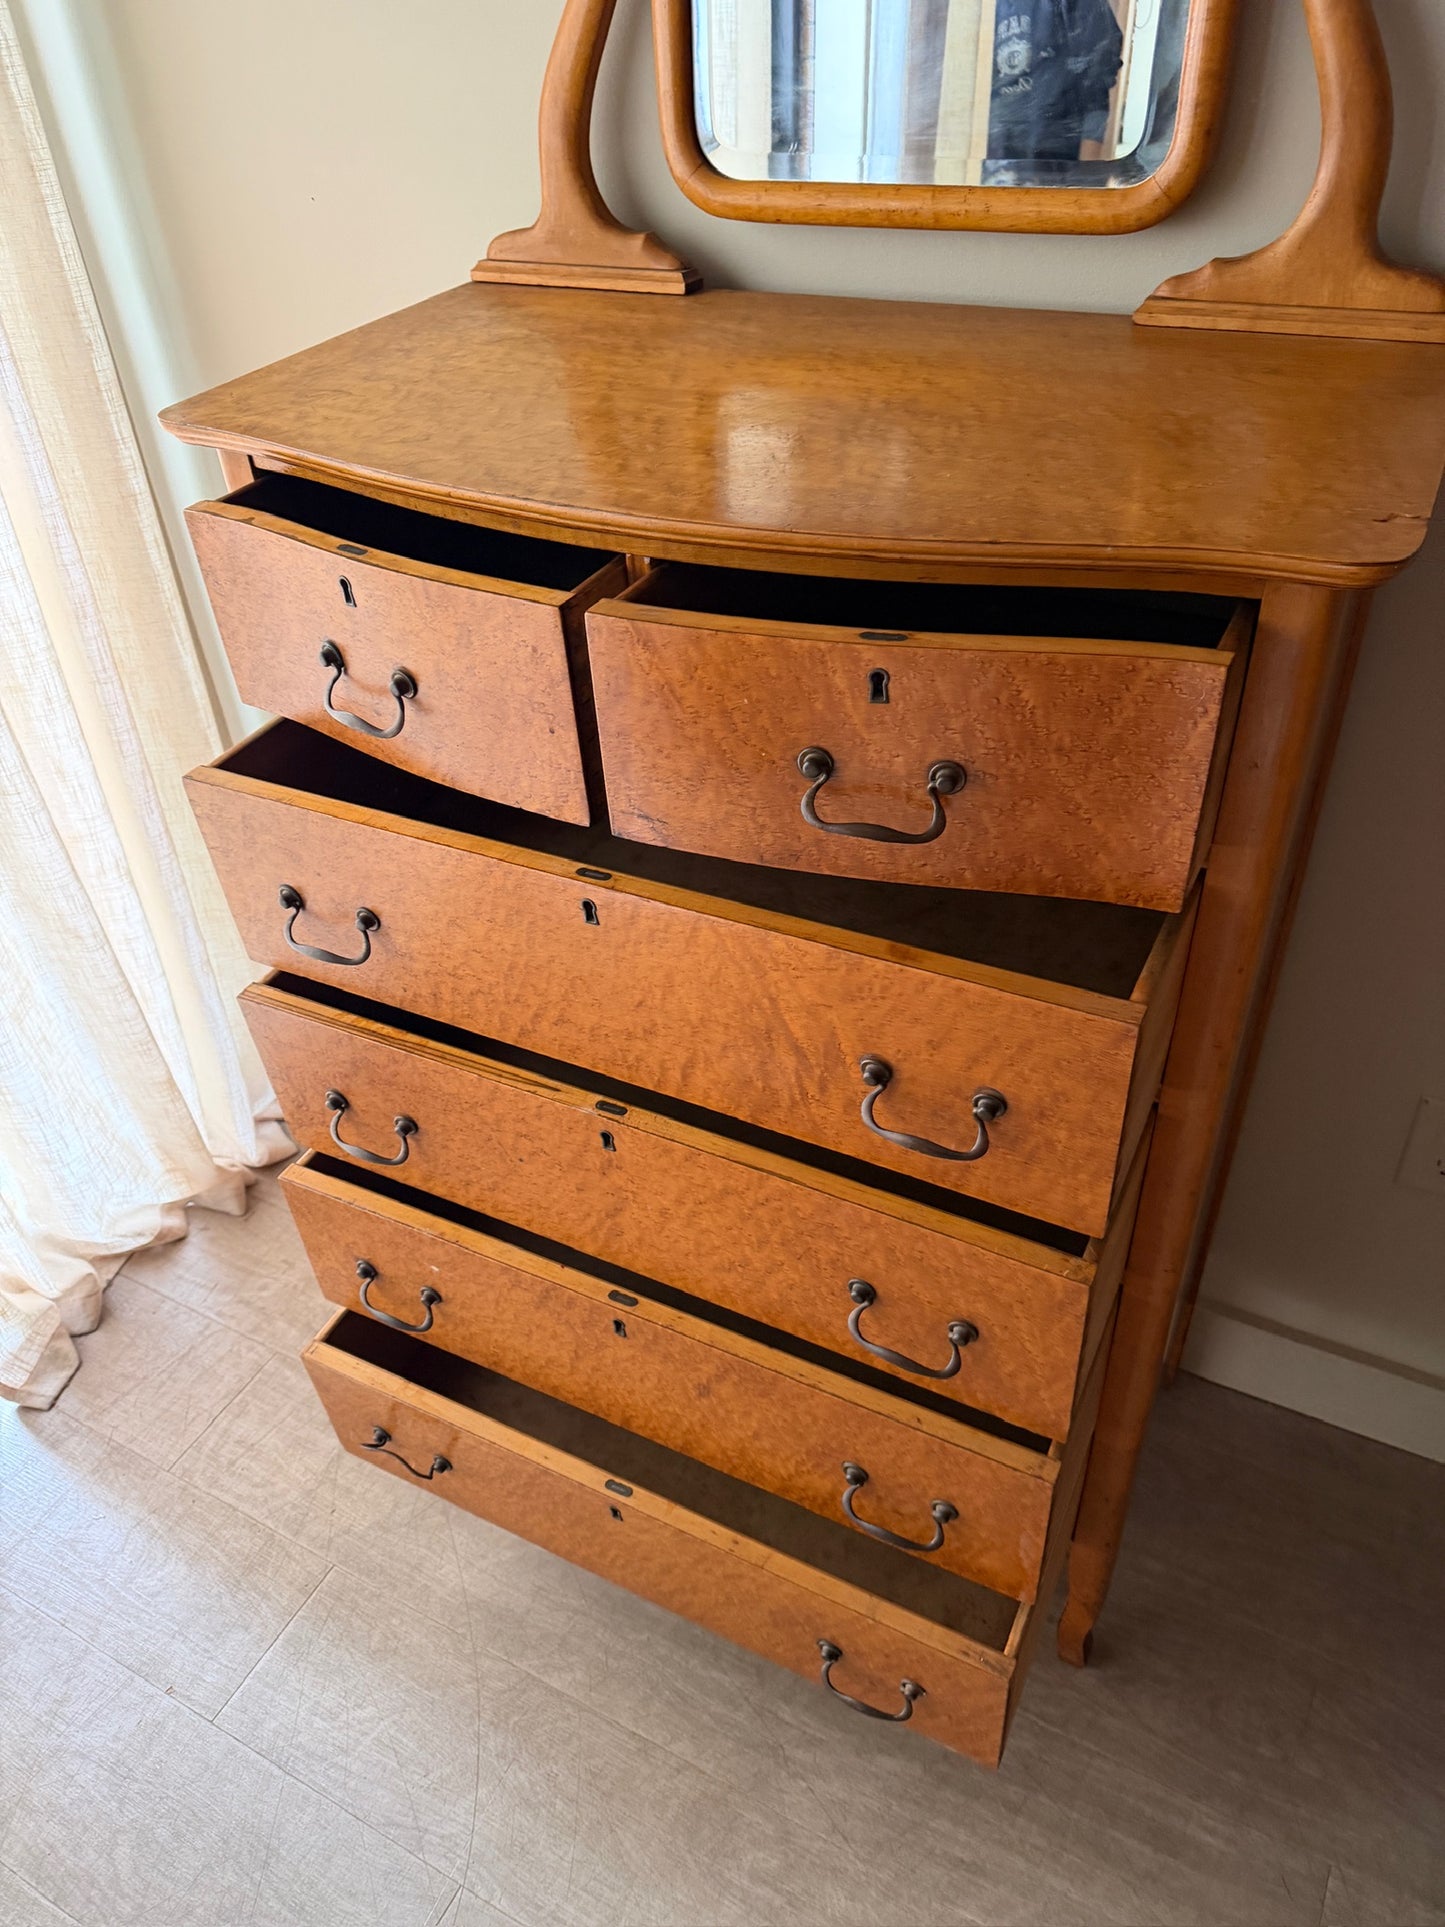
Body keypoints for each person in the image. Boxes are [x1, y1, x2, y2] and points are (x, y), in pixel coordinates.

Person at [988, 2, 1125, 163]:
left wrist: (1086, 174)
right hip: (993, 159)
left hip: (1055, 165)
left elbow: (1096, 91)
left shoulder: (1080, 6)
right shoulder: (981, 11)